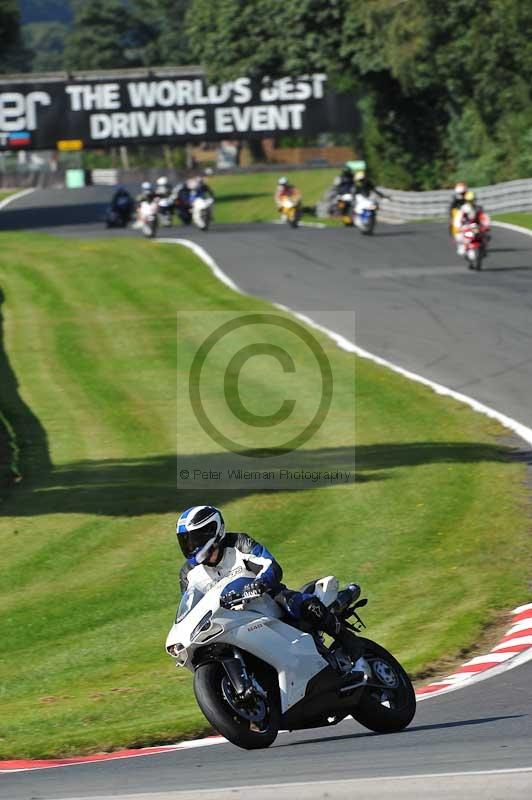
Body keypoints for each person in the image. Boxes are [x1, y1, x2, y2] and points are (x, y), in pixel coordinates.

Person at [177, 505, 355, 644]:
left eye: (194, 540)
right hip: (228, 620)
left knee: (298, 604)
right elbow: (191, 609)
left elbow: (270, 565)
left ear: (212, 531)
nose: (190, 547)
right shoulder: (189, 573)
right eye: (186, 542)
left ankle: (350, 644)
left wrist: (260, 583)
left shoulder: (239, 543)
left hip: (265, 599)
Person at [458, 190, 490, 255]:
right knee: (460, 236)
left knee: (485, 236)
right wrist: (459, 226)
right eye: (469, 200)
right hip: (466, 226)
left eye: (472, 200)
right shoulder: (463, 208)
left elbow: (484, 217)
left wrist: (486, 225)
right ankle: (463, 246)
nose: (471, 202)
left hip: (476, 226)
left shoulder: (478, 208)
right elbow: (458, 218)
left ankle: (483, 249)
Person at [449, 181, 468, 254]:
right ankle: (459, 242)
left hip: (468, 213)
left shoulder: (469, 196)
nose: (461, 194)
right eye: (460, 193)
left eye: (462, 193)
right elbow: (451, 208)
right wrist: (452, 217)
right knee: (452, 226)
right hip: (457, 214)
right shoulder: (454, 198)